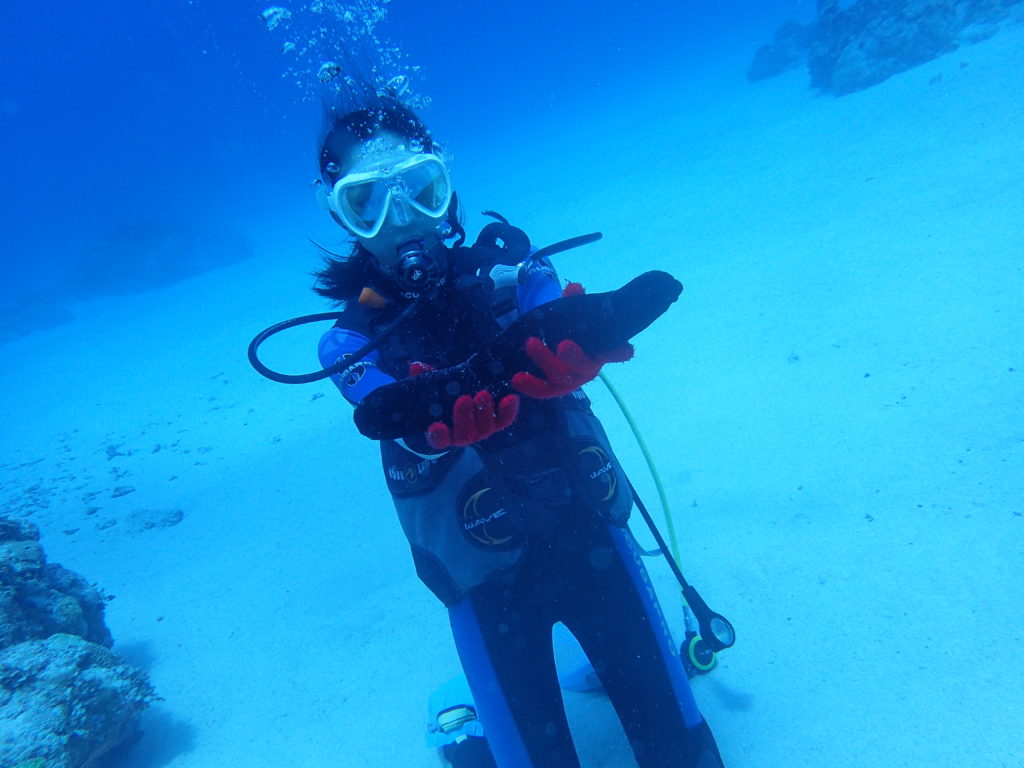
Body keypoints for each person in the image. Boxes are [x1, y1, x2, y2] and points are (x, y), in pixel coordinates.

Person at [311, 92, 725, 768]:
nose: (403, 219)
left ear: (445, 186)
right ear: (340, 214)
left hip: (590, 534)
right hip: (483, 579)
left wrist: (586, 337)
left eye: (418, 188)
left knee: (686, 757)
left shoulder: (518, 272)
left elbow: (553, 314)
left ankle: (557, 683)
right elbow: (384, 408)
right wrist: (430, 423)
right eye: (369, 202)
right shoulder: (347, 343)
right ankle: (464, 719)